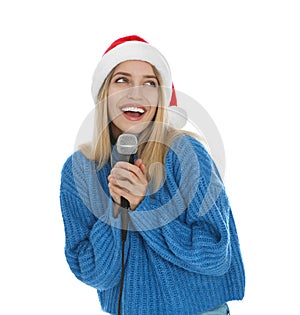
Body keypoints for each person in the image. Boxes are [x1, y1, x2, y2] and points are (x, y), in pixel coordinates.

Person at [59, 35, 245, 315]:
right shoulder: (80, 171)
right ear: (103, 93)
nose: (137, 93)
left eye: (150, 83)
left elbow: (215, 257)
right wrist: (117, 207)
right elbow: (95, 272)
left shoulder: (187, 155)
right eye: (122, 80)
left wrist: (145, 207)